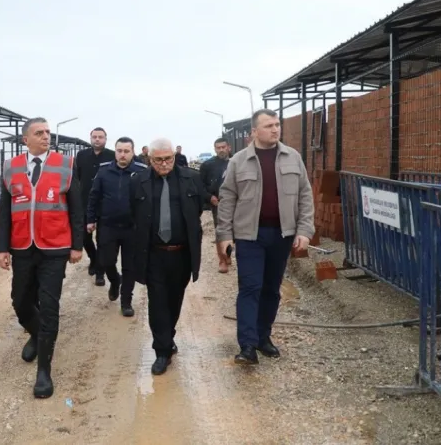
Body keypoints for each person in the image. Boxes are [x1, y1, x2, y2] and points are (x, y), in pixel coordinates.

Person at [216, 109, 314, 365]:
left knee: (271, 289)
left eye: (277, 124)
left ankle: (263, 337)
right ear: (254, 132)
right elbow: (227, 200)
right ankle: (247, 346)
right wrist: (224, 236)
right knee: (250, 287)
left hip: (282, 234)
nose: (275, 129)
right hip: (249, 236)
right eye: (269, 125)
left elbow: (305, 195)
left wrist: (304, 230)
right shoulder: (238, 161)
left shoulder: (293, 158)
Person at [0, 117, 84, 398]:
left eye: (48, 132)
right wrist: (1, 247)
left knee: (48, 305)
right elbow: (5, 210)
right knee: (20, 300)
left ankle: (44, 370)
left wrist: (77, 245)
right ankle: (36, 334)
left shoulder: (65, 165)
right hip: (22, 246)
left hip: (55, 247)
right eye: (39, 133)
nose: (46, 136)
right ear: (26, 140)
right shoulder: (11, 167)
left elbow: (76, 209)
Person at [129, 138, 209, 375]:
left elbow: (197, 212)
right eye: (158, 160)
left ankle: (168, 335)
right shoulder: (138, 182)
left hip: (181, 253)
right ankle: (162, 351)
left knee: (174, 299)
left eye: (168, 159)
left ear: (174, 156)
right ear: (149, 159)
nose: (164, 164)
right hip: (154, 253)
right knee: (157, 302)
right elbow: (133, 215)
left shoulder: (191, 179)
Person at [87, 137, 147, 317]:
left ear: (132, 152)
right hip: (108, 225)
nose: (122, 155)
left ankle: (126, 301)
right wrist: (90, 219)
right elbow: (93, 196)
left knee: (130, 266)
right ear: (115, 151)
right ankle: (114, 281)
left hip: (132, 227)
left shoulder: (141, 172)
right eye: (119, 151)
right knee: (105, 261)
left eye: (126, 151)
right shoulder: (104, 171)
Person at [75, 128, 115, 286]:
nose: (97, 139)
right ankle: (93, 258)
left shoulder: (112, 156)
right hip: (85, 203)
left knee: (102, 240)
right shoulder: (82, 156)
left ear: (105, 139)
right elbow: (76, 177)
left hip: (106, 204)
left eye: (100, 137)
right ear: (90, 138)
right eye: (94, 137)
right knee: (84, 238)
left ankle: (100, 272)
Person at [199, 137, 232, 273]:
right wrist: (209, 197)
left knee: (236, 232)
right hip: (218, 203)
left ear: (229, 147)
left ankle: (228, 253)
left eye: (223, 147)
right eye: (218, 148)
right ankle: (222, 260)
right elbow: (199, 186)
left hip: (238, 203)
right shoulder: (208, 165)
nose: (221, 150)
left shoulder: (237, 162)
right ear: (215, 149)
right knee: (221, 231)